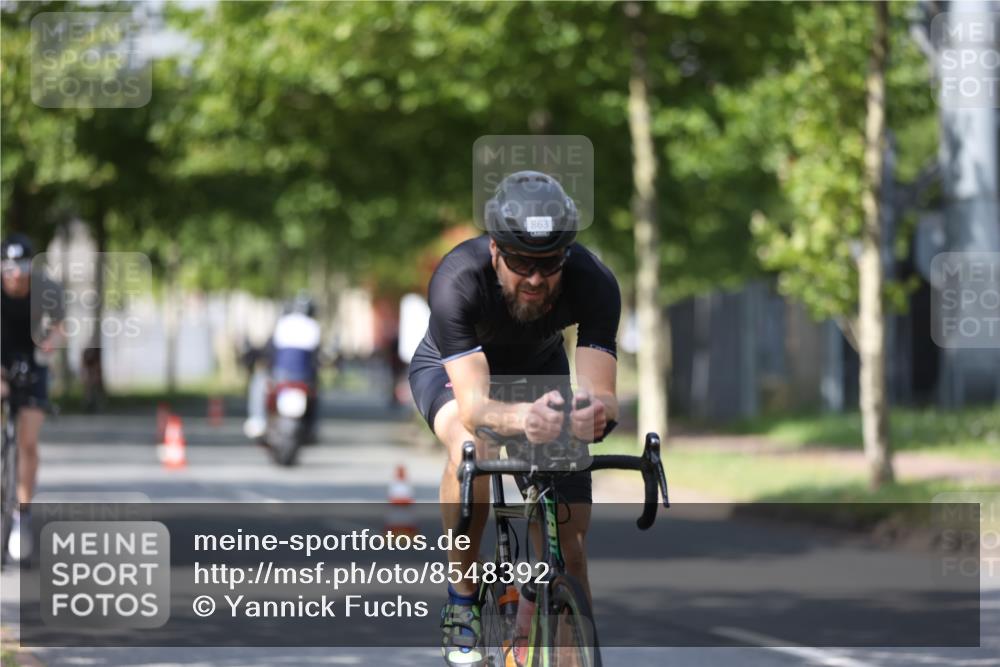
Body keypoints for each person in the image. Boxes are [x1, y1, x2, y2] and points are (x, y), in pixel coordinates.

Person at [408, 171, 621, 667]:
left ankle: (545, 609)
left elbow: (601, 393)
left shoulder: (594, 282)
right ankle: (463, 598)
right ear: (495, 251)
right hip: (453, 370)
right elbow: (475, 406)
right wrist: (525, 418)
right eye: (521, 262)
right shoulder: (457, 279)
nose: (535, 278)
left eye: (548, 265)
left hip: (539, 369)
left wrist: (591, 414)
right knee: (471, 445)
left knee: (571, 550)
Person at [1, 233, 66, 562]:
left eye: (21, 267)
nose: (15, 275)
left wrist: (50, 343)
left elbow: (60, 326)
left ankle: (21, 515)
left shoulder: (46, 288)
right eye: (8, 268)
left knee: (27, 441)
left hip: (33, 361)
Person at [244, 293, 321, 440]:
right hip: (305, 378)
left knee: (259, 381)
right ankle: (312, 427)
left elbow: (269, 350)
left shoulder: (283, 324)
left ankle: (258, 420)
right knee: (316, 394)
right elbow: (317, 357)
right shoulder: (314, 327)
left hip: (281, 375)